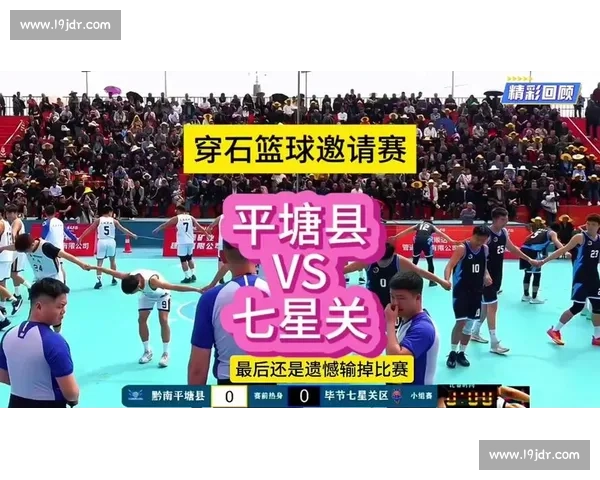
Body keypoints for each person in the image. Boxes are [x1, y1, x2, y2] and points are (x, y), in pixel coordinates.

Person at [188, 240, 269, 385]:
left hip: (229, 384)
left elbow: (198, 368)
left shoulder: (211, 299)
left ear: (223, 257)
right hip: (268, 379)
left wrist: (196, 397)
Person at [95, 265, 203, 367]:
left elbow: (174, 287)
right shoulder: (129, 277)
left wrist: (197, 290)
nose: (133, 294)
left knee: (163, 320)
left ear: (138, 286)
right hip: (147, 296)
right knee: (141, 320)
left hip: (162, 295)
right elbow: (110, 271)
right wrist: (92, 267)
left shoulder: (153, 281)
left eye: (133, 292)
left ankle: (166, 353)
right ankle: (147, 351)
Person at [0, 278, 79, 408]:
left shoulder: (8, 335)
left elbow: (3, 376)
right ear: (39, 306)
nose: (64, 311)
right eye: (60, 306)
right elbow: (71, 393)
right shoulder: (54, 342)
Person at [470, 207, 539, 354]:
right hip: (485, 277)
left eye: (507, 218)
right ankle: (494, 343)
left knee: (485, 306)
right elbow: (478, 255)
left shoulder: (504, 232)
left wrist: (528, 259)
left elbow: (512, 248)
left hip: (497, 275)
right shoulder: (487, 235)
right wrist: (485, 274)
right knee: (492, 306)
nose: (506, 221)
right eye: (503, 219)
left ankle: (474, 332)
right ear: (495, 219)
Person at [0, 234, 93, 332]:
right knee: (34, 309)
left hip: (54, 280)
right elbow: (15, 247)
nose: (26, 253)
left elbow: (66, 255)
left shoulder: (46, 247)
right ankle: (31, 333)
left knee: (55, 311)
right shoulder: (26, 246)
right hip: (39, 280)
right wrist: (2, 248)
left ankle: (57, 334)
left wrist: (81, 264)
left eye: (26, 251)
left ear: (32, 244)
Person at [343, 240, 450, 317]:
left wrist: (441, 281)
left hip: (394, 304)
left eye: (386, 261)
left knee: (394, 333)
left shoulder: (399, 261)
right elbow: (347, 269)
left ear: (392, 255)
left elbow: (419, 271)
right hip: (373, 304)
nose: (382, 264)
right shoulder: (368, 260)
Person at [542, 213, 600, 346]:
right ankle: (555, 330)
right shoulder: (580, 237)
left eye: (593, 224)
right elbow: (562, 250)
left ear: (598, 226)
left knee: (598, 307)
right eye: (588, 224)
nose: (590, 227)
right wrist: (544, 261)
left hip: (594, 277)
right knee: (577, 307)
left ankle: (597, 337)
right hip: (581, 277)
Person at [444, 226, 492, 369]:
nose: (480, 243)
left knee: (470, 325)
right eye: (478, 239)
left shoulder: (484, 249)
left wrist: (486, 275)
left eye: (483, 240)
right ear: (473, 235)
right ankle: (452, 352)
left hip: (477, 292)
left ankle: (462, 353)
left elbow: (484, 266)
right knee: (461, 322)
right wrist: (446, 280)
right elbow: (449, 266)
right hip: (461, 291)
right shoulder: (462, 249)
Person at [384, 271, 440, 385]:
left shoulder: (423, 329)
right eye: (392, 297)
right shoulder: (408, 318)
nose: (395, 303)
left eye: (401, 298)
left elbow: (396, 359)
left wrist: (390, 322)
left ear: (418, 298)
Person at [79, 205, 138, 289]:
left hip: (101, 242)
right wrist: (133, 235)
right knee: (112, 260)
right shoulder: (114, 221)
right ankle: (113, 278)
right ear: (110, 212)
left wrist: (81, 237)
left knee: (100, 262)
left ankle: (98, 281)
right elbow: (123, 230)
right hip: (111, 242)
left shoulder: (98, 220)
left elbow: (89, 229)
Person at [389, 219, 457, 286]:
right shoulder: (431, 226)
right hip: (427, 241)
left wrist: (396, 237)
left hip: (417, 240)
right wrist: (451, 241)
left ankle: (410, 280)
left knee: (414, 262)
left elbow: (407, 231)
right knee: (430, 262)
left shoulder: (419, 224)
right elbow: (441, 233)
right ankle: (431, 282)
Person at [153, 204, 204, 283]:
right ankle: (193, 274)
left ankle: (187, 277)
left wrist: (157, 229)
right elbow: (199, 227)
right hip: (190, 241)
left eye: (176, 210)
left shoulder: (177, 218)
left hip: (182, 242)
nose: (175, 211)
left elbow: (166, 224)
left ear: (179, 210)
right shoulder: (191, 217)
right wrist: (206, 233)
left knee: (183, 260)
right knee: (189, 258)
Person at [519, 217, 563, 304]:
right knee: (537, 275)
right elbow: (556, 241)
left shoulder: (540, 230)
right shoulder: (552, 232)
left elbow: (528, 237)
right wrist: (565, 250)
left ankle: (525, 295)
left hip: (524, 249)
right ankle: (534, 298)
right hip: (533, 252)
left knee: (527, 273)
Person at [42, 205, 79, 285]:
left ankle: (56, 285)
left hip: (50, 249)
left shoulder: (46, 223)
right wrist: (76, 239)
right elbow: (68, 232)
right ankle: (64, 284)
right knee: (60, 267)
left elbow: (43, 236)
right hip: (60, 249)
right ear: (55, 213)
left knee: (51, 269)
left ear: (45, 213)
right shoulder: (60, 222)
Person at [5, 204, 31, 304]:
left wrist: (11, 242)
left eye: (10, 213)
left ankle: (30, 287)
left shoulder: (16, 222)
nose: (8, 215)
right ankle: (17, 294)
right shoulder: (14, 222)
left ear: (15, 213)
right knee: (14, 273)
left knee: (13, 274)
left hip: (17, 251)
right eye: (7, 213)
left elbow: (13, 233)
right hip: (17, 251)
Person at [0, 208, 22, 319]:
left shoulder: (1, 224)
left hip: (2, 257)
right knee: (2, 283)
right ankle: (3, 307)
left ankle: (14, 300)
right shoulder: (7, 224)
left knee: (1, 284)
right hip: (6, 257)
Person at [207, 214, 227, 284]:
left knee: (221, 260)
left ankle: (221, 278)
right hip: (232, 243)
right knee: (233, 261)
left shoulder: (221, 216)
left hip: (222, 243)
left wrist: (209, 233)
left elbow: (210, 227)